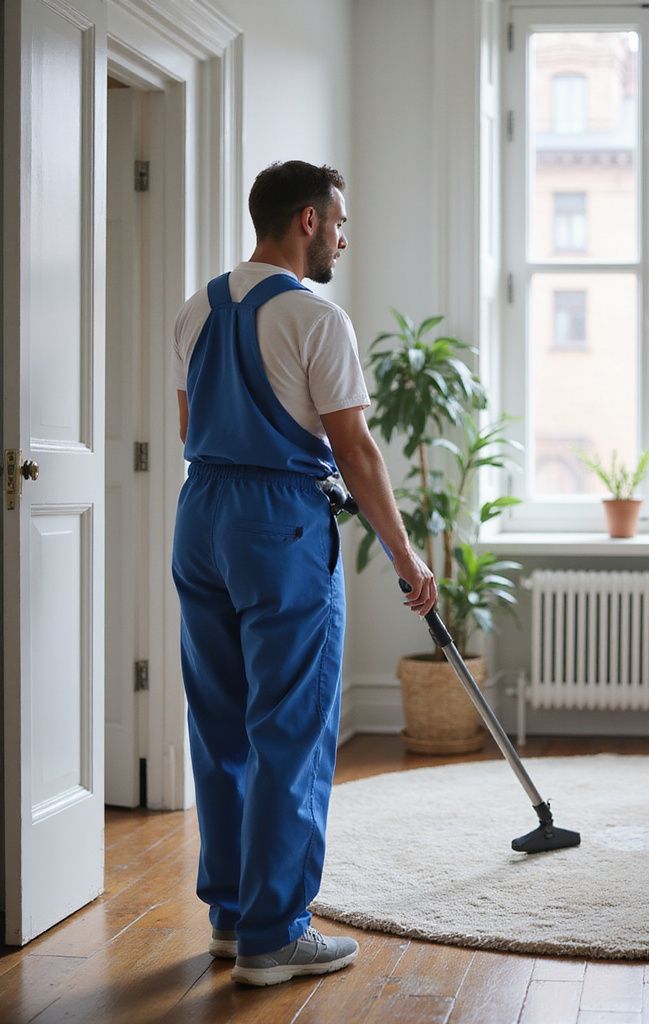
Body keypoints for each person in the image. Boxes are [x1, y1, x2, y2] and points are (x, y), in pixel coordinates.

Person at [171, 160, 435, 987]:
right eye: (341, 221)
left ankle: (229, 917)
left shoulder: (194, 309)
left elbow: (190, 426)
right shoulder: (316, 318)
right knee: (290, 725)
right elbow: (353, 449)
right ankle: (275, 933)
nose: (346, 237)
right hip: (277, 525)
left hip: (202, 514)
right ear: (309, 221)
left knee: (220, 722)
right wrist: (406, 555)